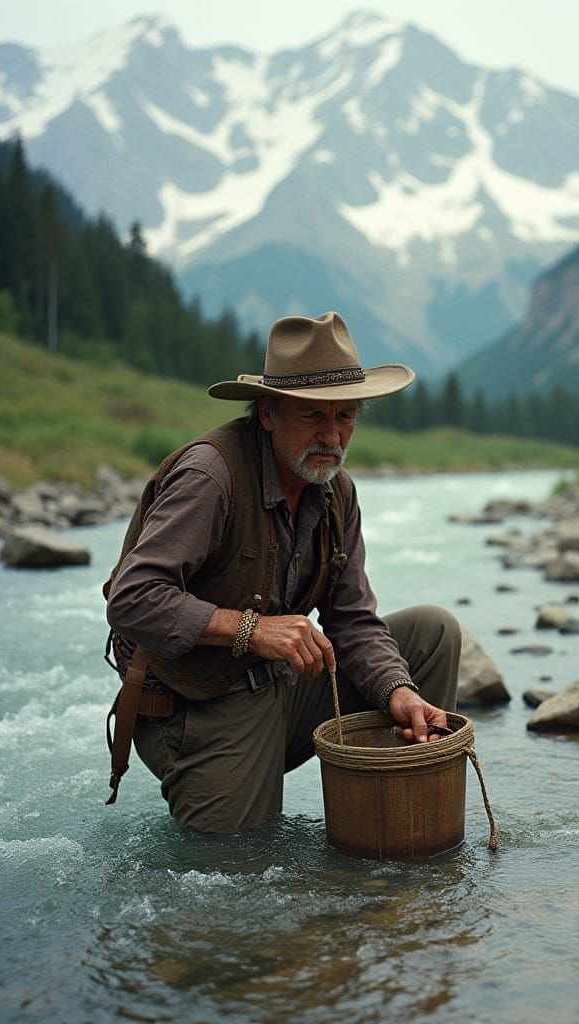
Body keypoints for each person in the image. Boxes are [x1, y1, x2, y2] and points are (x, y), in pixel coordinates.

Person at [103, 310, 461, 833]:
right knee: (237, 876)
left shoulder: (338, 492)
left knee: (432, 634)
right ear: (267, 413)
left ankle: (397, 836)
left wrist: (397, 691)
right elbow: (131, 599)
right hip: (197, 705)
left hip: (281, 689)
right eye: (313, 416)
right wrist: (251, 629)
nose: (333, 437)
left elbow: (353, 621)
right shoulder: (211, 476)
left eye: (346, 416)